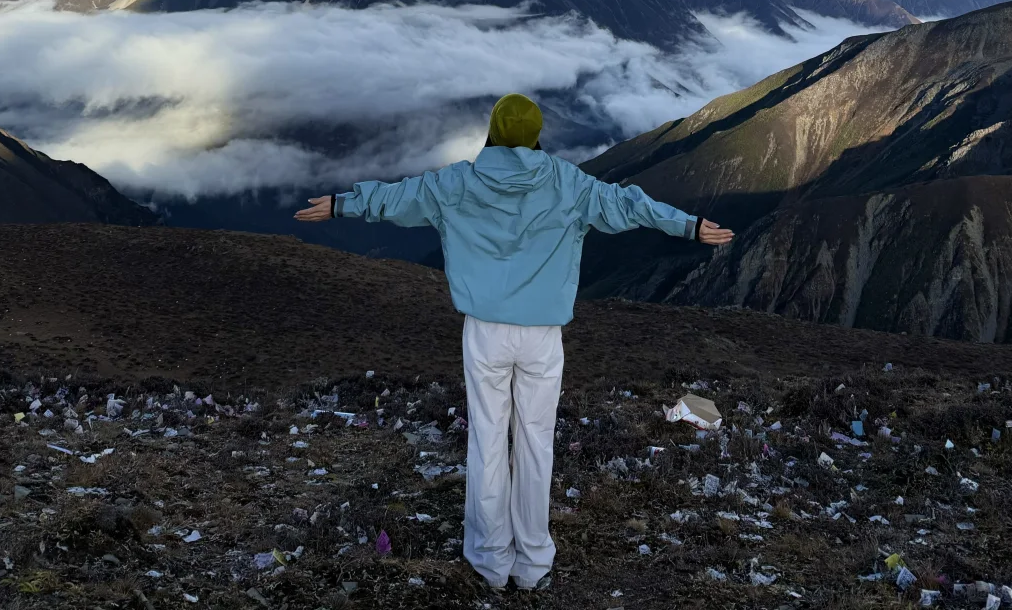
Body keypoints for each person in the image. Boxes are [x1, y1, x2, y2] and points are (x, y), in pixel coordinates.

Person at [295, 92, 733, 594]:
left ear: (494, 132)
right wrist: (689, 226)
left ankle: (489, 559)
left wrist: (343, 204)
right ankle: (533, 561)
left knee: (487, 439)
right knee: (535, 440)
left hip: (485, 331)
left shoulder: (457, 182)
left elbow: (399, 197)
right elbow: (626, 203)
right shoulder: (568, 183)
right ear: (536, 134)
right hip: (543, 335)